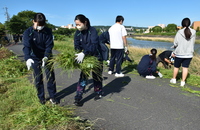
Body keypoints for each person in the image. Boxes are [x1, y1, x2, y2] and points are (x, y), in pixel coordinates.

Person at [23, 13, 58, 105]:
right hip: (34, 57)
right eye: (38, 25)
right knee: (38, 78)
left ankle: (53, 96)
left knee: (50, 77)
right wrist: (27, 58)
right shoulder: (28, 32)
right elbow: (26, 46)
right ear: (33, 22)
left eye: (42, 25)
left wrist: (46, 56)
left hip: (46, 57)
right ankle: (41, 97)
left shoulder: (47, 31)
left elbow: (49, 45)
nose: (40, 27)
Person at [73, 14, 103, 106]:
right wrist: (78, 53)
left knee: (96, 76)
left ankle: (98, 92)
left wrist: (84, 52)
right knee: (83, 76)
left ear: (85, 22)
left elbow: (94, 45)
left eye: (79, 24)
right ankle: (78, 96)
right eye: (76, 25)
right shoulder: (77, 33)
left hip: (96, 57)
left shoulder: (92, 31)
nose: (77, 26)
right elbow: (77, 45)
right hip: (85, 58)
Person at [170, 18, 196, 87]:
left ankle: (174, 79)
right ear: (189, 23)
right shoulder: (194, 32)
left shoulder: (179, 32)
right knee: (185, 68)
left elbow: (175, 43)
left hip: (179, 53)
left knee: (176, 67)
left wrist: (174, 49)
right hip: (189, 54)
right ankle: (183, 82)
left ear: (182, 23)